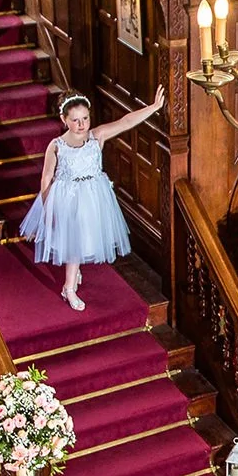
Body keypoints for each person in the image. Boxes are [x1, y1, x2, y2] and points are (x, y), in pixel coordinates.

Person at [18, 88, 164, 310]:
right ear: (64, 120)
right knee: (74, 243)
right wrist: (48, 210)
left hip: (93, 197)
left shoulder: (97, 136)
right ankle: (69, 288)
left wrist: (153, 108)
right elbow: (46, 178)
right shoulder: (57, 146)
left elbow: (125, 122)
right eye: (75, 120)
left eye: (85, 118)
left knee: (85, 237)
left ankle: (74, 272)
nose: (81, 124)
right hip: (67, 198)